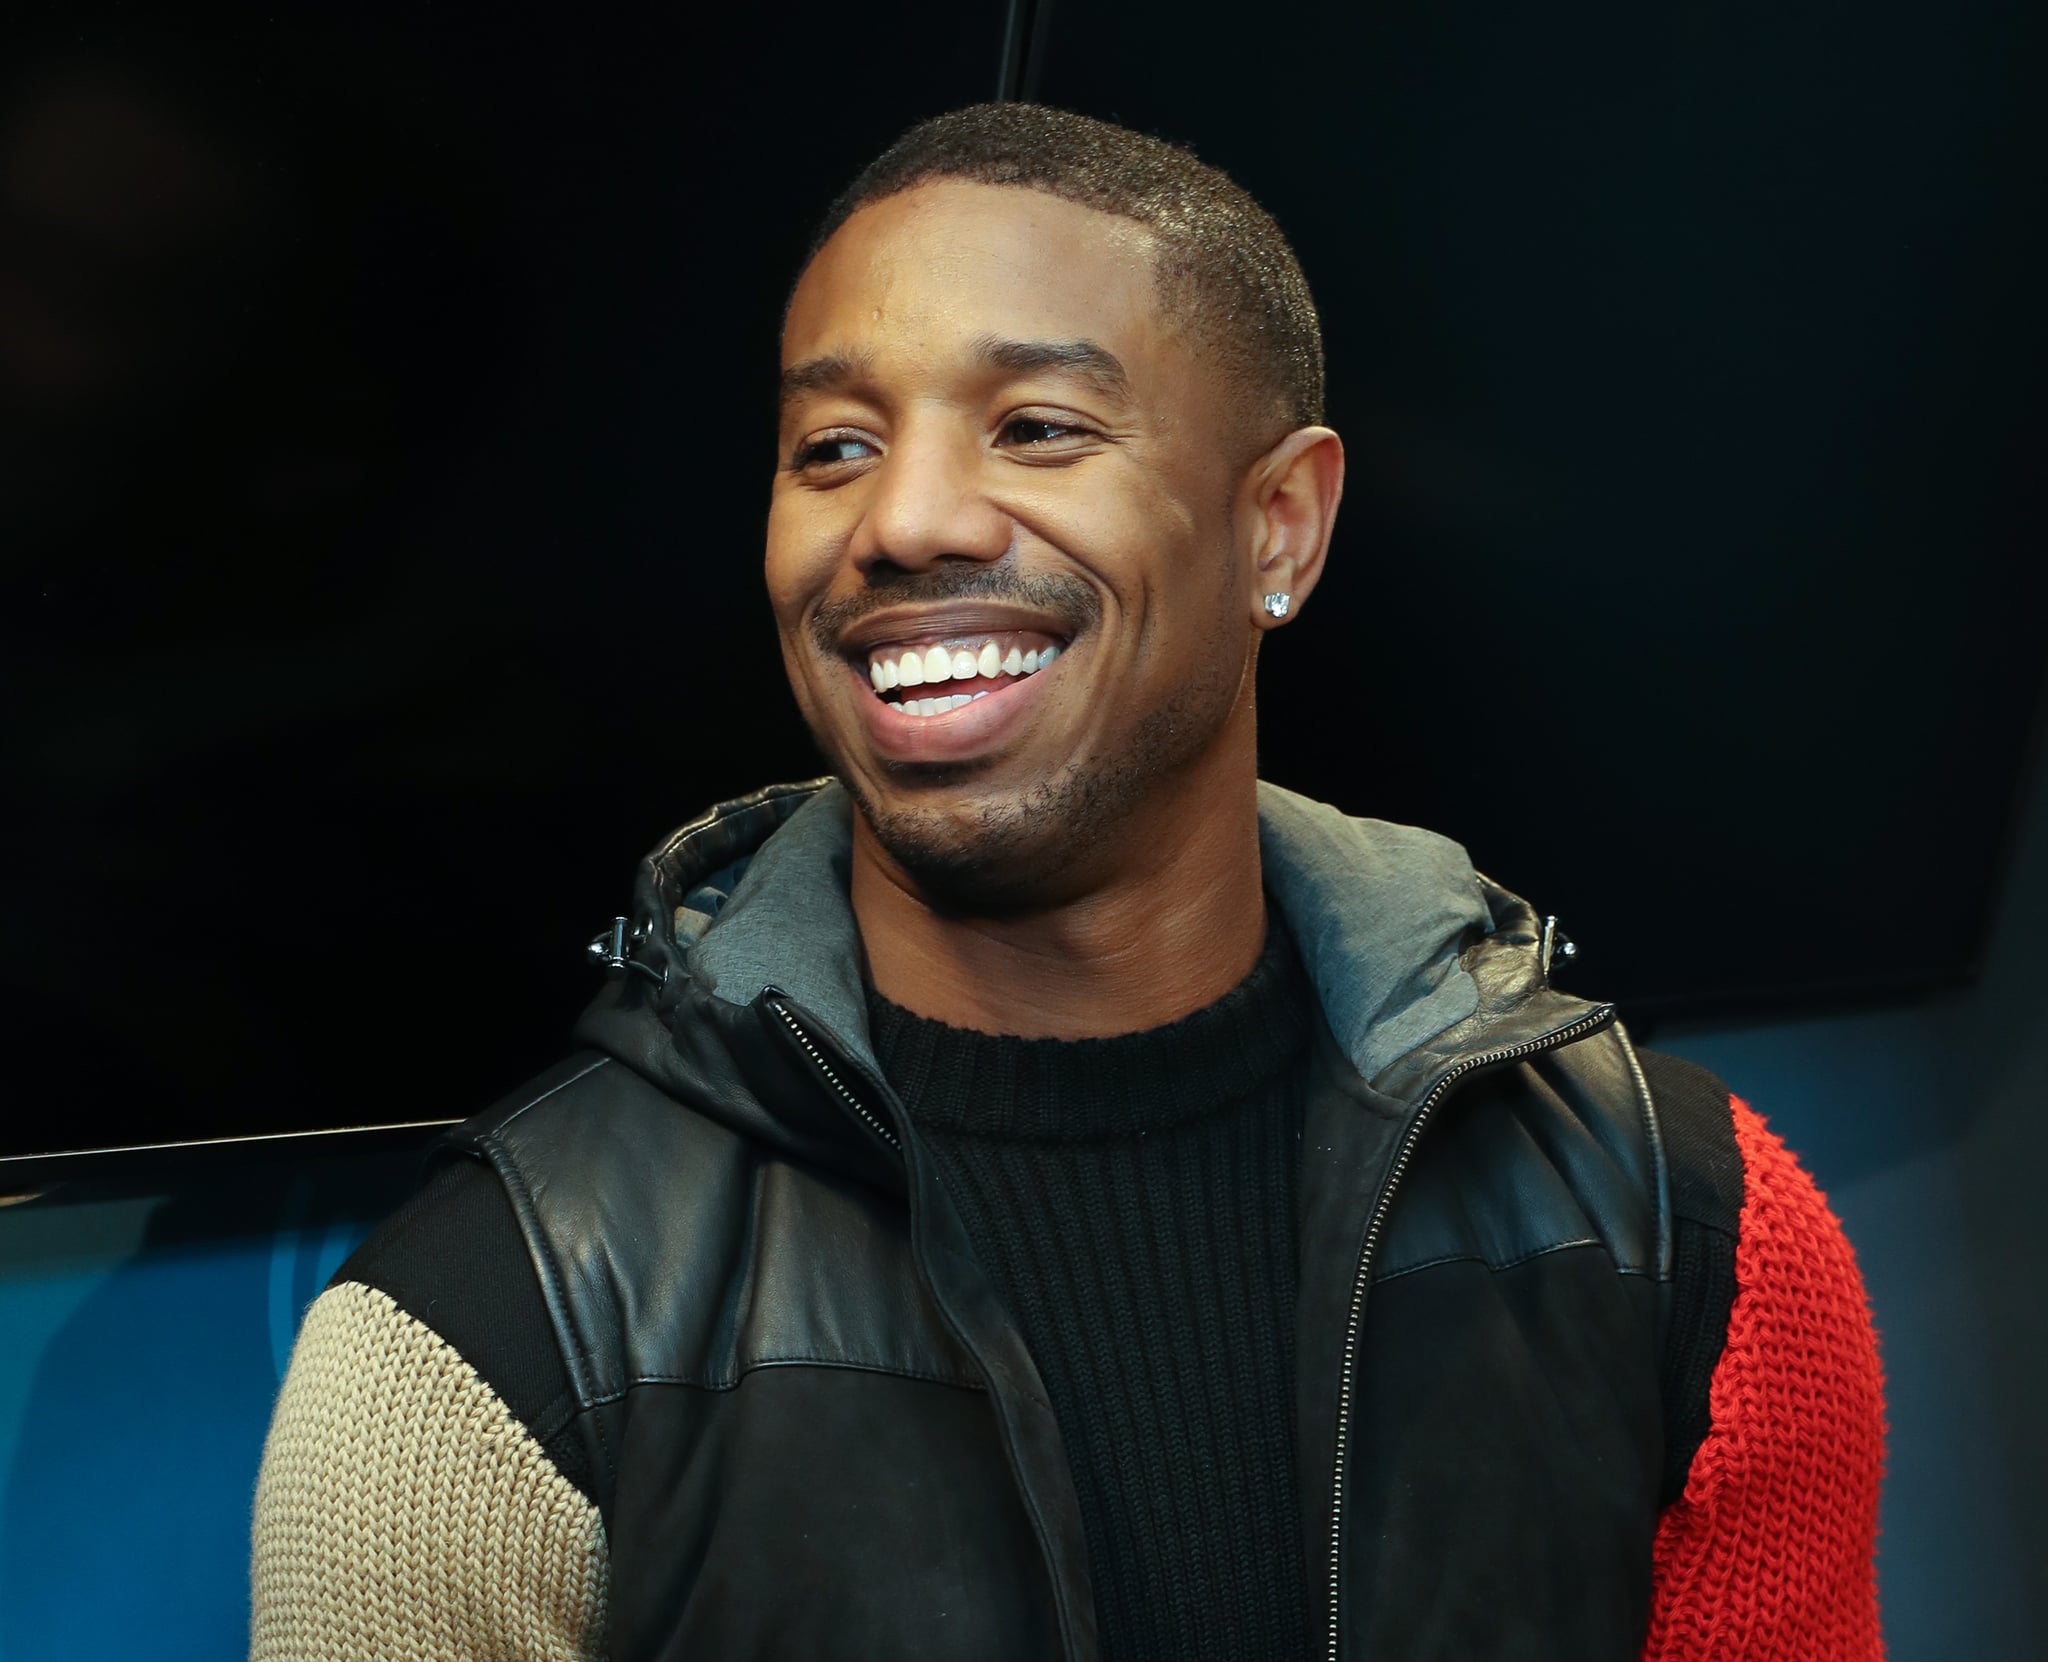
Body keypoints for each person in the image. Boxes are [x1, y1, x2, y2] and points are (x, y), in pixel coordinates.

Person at [250, 103, 1886, 1661]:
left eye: (1035, 427)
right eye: (831, 445)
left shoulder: (1692, 1232)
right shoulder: (480, 1341)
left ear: (1282, 529)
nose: (900, 518)